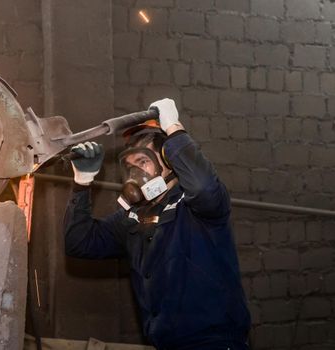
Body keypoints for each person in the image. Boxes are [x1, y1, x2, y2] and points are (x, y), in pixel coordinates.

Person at [63, 98, 251, 349]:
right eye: (129, 166)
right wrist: (83, 181)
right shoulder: (134, 218)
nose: (135, 174)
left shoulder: (198, 208)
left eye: (143, 162)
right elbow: (79, 242)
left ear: (170, 162)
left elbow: (203, 186)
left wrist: (174, 129)